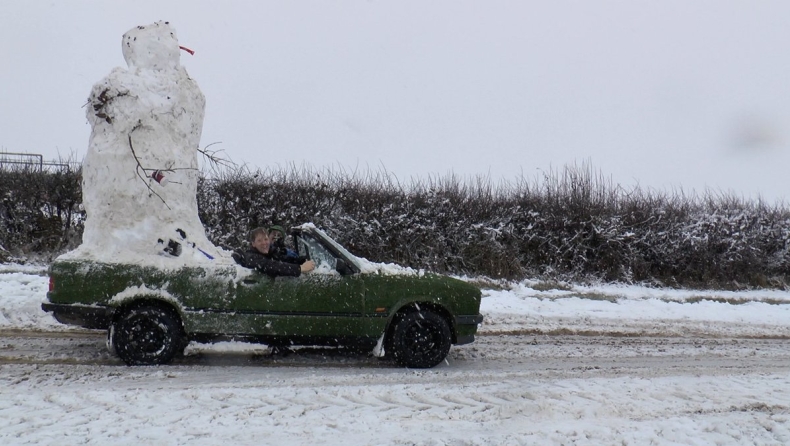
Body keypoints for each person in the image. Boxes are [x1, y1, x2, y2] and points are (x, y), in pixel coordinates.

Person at [240, 227, 315, 277]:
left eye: (266, 239)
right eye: (259, 240)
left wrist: (302, 260)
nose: (264, 243)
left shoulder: (270, 253)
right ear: (253, 244)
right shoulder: (251, 257)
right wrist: (301, 268)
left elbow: (283, 259)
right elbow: (272, 266)